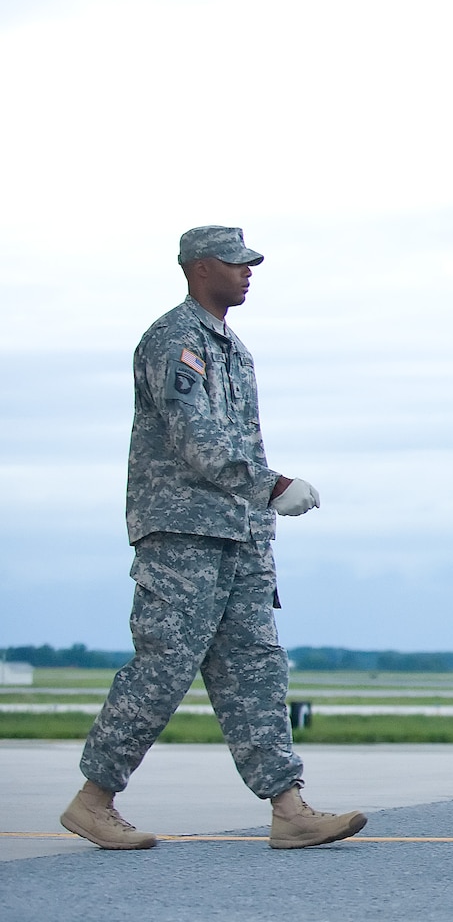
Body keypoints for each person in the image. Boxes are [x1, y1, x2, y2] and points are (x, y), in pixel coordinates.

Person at [59, 226, 367, 852]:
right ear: (200, 268)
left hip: (241, 534)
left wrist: (260, 512)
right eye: (235, 263)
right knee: (165, 666)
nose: (248, 272)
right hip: (183, 533)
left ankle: (289, 807)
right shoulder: (175, 339)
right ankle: (93, 801)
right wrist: (272, 484)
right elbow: (196, 440)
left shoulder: (233, 348)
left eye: (250, 262)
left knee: (256, 668)